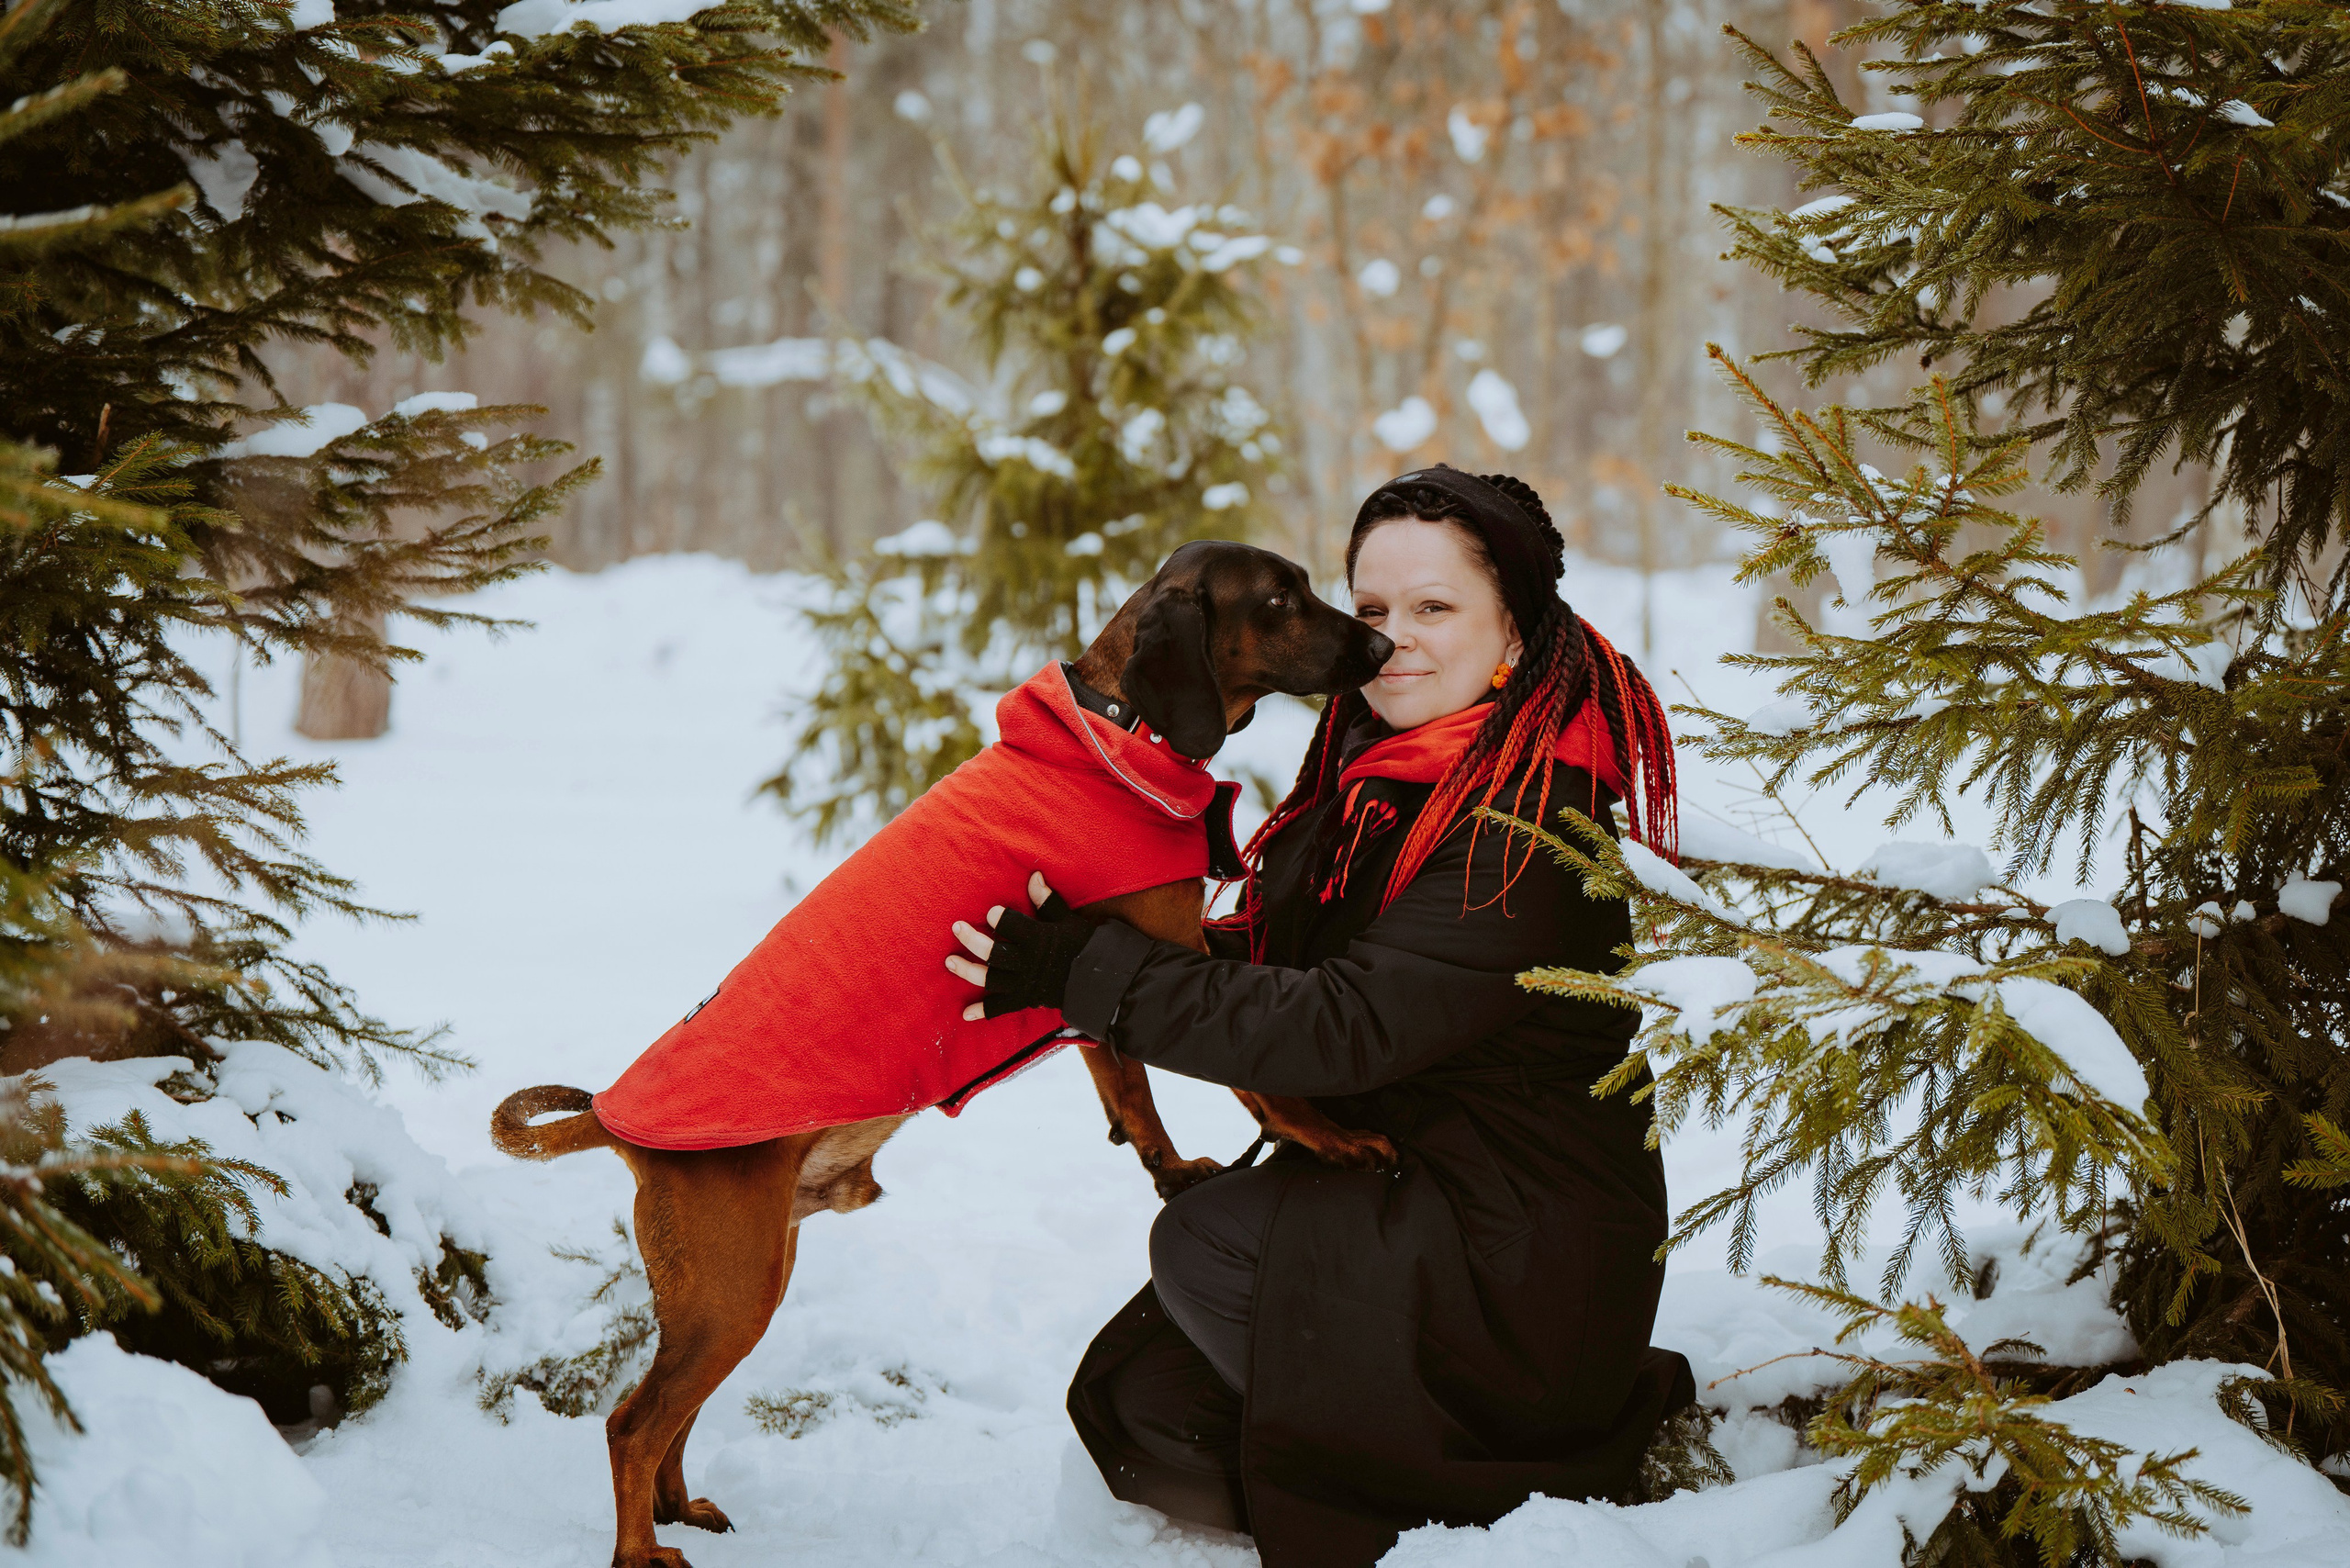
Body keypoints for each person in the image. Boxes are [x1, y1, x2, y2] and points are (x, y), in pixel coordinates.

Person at [946, 466, 1694, 1568]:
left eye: (1434, 609)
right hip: (1422, 1173)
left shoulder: (1534, 814)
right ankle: (1377, 1446)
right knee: (1146, 1410)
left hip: (1528, 1247)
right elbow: (1295, 956)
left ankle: (1509, 1484)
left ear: (1517, 631)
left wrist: (1089, 971)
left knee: (1202, 1244)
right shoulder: (1384, 764)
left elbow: (1343, 1024)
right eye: (1374, 609)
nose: (1391, 641)